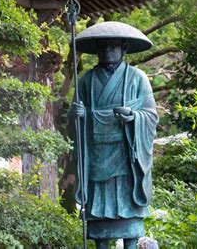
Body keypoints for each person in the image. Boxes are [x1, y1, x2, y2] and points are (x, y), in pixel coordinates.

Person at [68, 22, 158, 249]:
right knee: (100, 219)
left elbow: (151, 115)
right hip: (97, 153)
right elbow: (71, 121)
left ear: (124, 47)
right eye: (103, 46)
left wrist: (134, 117)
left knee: (127, 213)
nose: (108, 50)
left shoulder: (137, 78)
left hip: (126, 154)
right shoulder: (86, 80)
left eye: (113, 45)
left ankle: (129, 245)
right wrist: (78, 116)